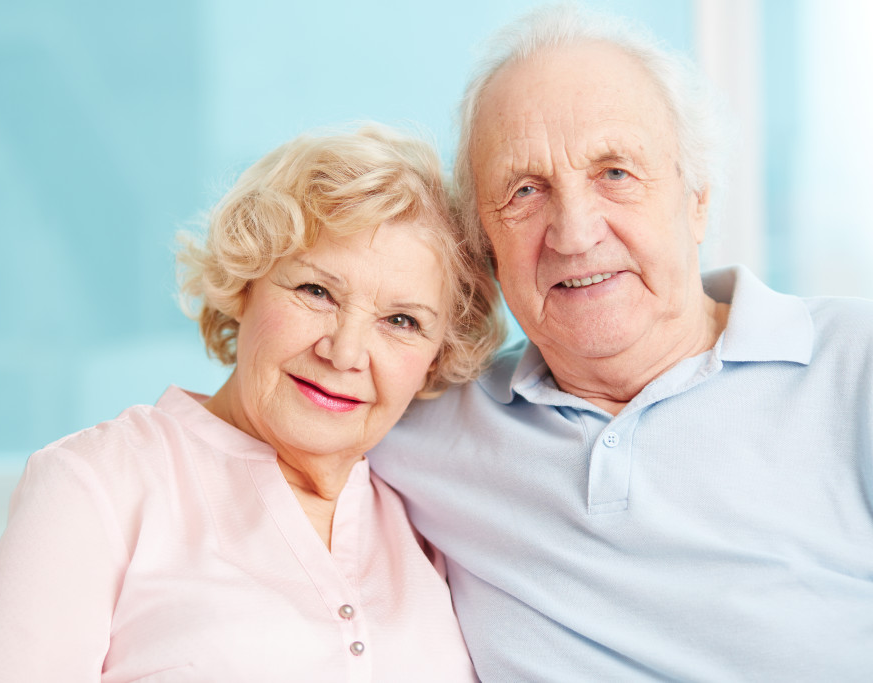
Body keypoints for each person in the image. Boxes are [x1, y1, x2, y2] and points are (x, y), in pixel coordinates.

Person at [368, 4, 873, 681]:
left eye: (615, 173)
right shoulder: (415, 424)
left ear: (696, 198)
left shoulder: (855, 366)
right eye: (525, 190)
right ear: (484, 244)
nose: (574, 232)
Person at [0, 124, 505, 682]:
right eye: (316, 291)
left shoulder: (431, 514)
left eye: (401, 320)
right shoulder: (97, 484)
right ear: (244, 283)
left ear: (438, 355)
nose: (346, 351)